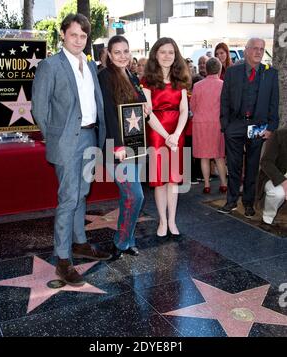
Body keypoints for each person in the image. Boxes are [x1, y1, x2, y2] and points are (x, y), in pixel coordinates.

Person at [32, 13, 111, 287]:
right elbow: (39, 110)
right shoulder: (50, 66)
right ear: (63, 35)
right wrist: (57, 138)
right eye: (74, 34)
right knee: (68, 198)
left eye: (83, 36)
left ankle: (79, 243)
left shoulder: (89, 67)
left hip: (90, 137)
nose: (78, 40)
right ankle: (63, 260)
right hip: (67, 142)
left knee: (83, 194)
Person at [98, 35, 173, 259]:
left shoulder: (129, 74)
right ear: (109, 55)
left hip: (135, 144)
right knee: (136, 196)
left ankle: (128, 240)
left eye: (126, 51)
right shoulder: (105, 76)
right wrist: (117, 146)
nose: (122, 56)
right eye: (117, 52)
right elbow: (109, 113)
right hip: (117, 148)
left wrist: (146, 109)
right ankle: (120, 243)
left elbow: (141, 105)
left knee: (128, 197)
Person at [218, 38, 279, 217]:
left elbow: (274, 103)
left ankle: (248, 202)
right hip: (235, 125)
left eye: (261, 49)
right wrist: (225, 126)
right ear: (246, 51)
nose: (258, 52)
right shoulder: (232, 72)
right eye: (254, 48)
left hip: (258, 126)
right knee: (234, 165)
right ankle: (231, 200)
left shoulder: (270, 73)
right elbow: (225, 100)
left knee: (252, 166)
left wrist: (271, 127)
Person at [141, 37, 190, 239]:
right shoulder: (147, 81)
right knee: (160, 180)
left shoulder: (181, 81)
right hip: (157, 134)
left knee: (173, 181)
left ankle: (172, 221)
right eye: (163, 52)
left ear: (175, 55)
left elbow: (185, 110)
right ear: (155, 54)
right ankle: (162, 220)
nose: (167, 56)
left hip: (176, 133)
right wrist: (166, 136)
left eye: (171, 52)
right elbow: (148, 113)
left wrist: (176, 134)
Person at [190, 57, 227, 194]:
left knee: (204, 157)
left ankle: (206, 185)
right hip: (217, 124)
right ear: (220, 69)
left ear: (206, 69)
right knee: (219, 156)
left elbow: (192, 106)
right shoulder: (223, 85)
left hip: (200, 124)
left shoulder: (197, 86)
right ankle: (224, 184)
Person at [256, 128, 287, 225]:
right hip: (275, 175)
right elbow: (266, 162)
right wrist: (284, 182)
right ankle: (267, 219)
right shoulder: (280, 134)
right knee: (277, 193)